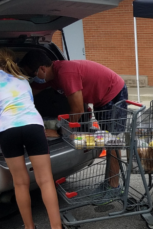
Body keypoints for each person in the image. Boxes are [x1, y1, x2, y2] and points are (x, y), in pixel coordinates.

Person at [0, 48, 73, 229]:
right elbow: (30, 104)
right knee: (45, 180)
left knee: (20, 183)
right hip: (32, 126)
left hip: (7, 130)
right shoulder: (23, 79)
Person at [18, 50, 128, 187]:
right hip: (100, 97)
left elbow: (78, 110)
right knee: (108, 139)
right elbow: (28, 93)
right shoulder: (50, 75)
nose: (32, 78)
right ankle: (111, 181)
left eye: (31, 74)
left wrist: (59, 131)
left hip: (113, 93)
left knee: (112, 141)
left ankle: (113, 186)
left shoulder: (65, 74)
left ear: (42, 69)